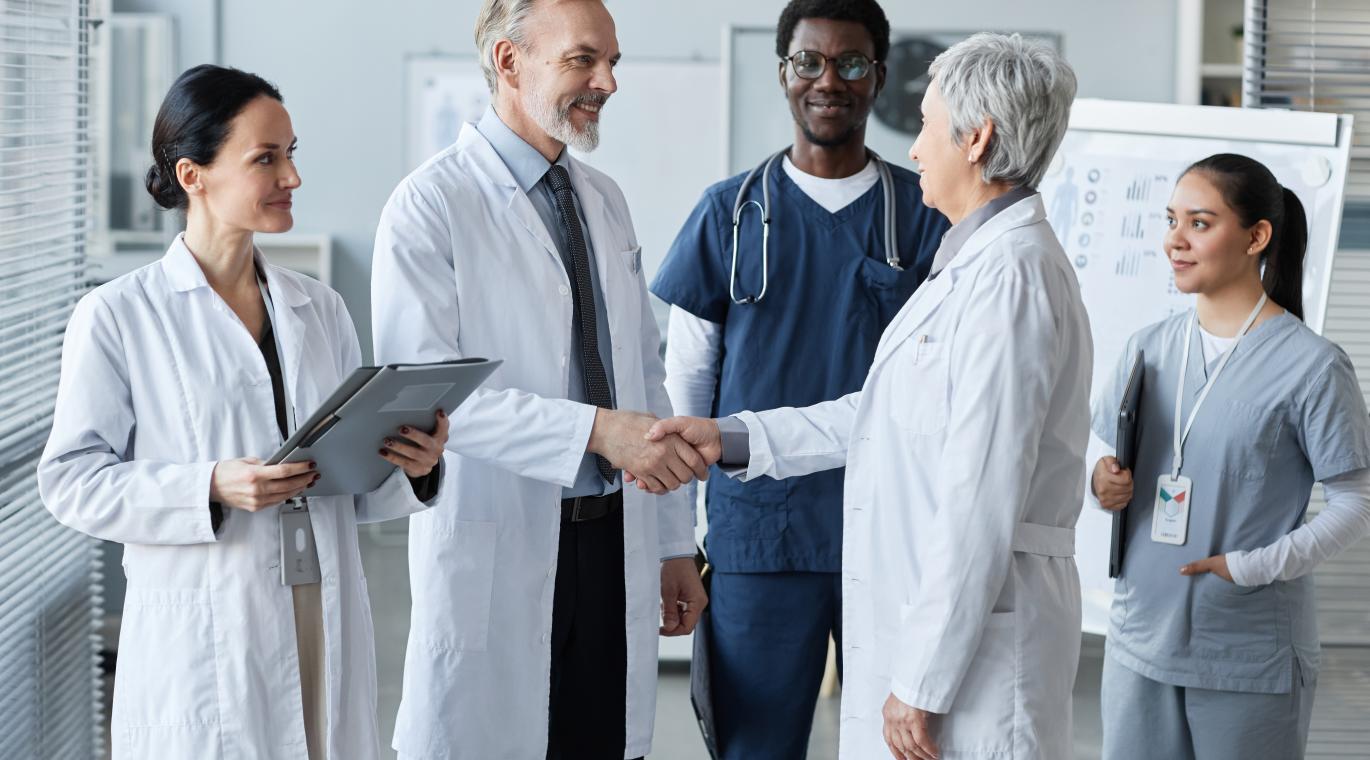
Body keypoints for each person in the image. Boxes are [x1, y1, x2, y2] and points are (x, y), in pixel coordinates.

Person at [640, 33, 1089, 760]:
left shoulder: (1009, 278)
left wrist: (922, 683)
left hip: (976, 655)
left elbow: (981, 497)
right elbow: (883, 415)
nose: (912, 150)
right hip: (867, 583)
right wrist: (735, 437)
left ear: (975, 140)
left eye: (925, 125)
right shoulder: (974, 263)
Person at [37, 65, 446, 760]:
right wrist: (210, 485)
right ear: (193, 174)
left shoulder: (318, 306)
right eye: (266, 158)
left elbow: (349, 475)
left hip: (320, 601)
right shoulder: (118, 315)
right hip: (208, 627)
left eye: (291, 154)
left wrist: (415, 465)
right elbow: (72, 481)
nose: (291, 176)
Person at [370, 1, 709, 758]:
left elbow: (644, 380)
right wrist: (594, 431)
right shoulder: (430, 206)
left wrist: (672, 542)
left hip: (611, 544)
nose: (608, 82)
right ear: (509, 61)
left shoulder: (604, 201)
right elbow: (425, 395)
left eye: (613, 62)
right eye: (584, 60)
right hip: (502, 538)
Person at [648, 0, 947, 755]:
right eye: (808, 62)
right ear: (784, 74)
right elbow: (685, 392)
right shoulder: (730, 214)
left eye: (850, 64)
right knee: (755, 745)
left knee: (901, 743)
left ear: (879, 77)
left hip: (894, 535)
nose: (828, 82)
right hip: (760, 541)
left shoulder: (924, 215)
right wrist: (672, 541)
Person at [1090, 153, 1370, 760]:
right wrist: (1102, 483)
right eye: (1172, 221)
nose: (1175, 240)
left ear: (1256, 237)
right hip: (1143, 636)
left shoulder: (1312, 366)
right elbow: (1113, 468)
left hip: (1246, 648)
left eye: (1199, 222)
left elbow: (1355, 502)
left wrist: (1255, 566)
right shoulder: (1149, 349)